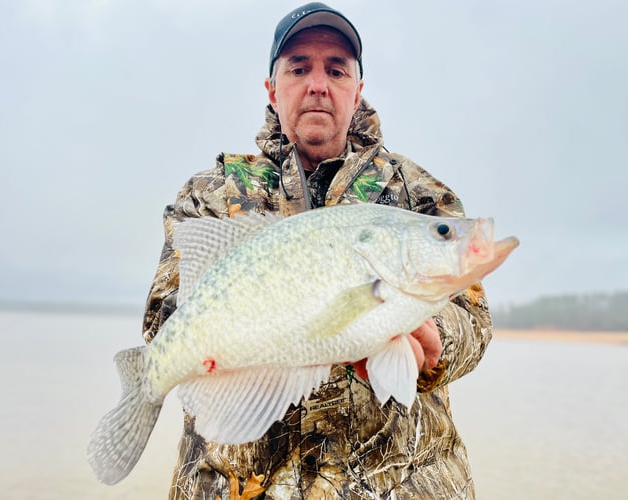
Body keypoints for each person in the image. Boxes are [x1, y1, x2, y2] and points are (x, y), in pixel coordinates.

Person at [142, 3, 493, 498]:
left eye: (336, 69)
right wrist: (238, 354)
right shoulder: (210, 195)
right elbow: (165, 320)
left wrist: (439, 342)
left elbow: (475, 318)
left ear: (357, 89)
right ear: (272, 88)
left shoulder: (417, 195)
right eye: (299, 67)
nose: (318, 84)